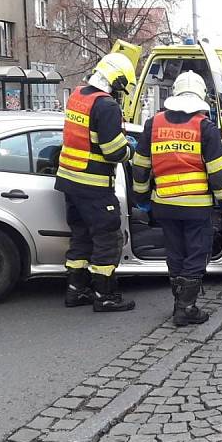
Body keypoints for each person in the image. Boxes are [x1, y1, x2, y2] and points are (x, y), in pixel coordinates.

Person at [131, 70, 222, 326]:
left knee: (175, 254)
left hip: (164, 204)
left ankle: (180, 303)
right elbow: (218, 173)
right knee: (196, 255)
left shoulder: (153, 124)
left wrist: (141, 198)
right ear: (201, 97)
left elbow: (140, 166)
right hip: (196, 207)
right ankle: (186, 308)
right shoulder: (204, 127)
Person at [55, 52, 138, 312]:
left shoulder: (78, 96)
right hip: (94, 184)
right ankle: (105, 296)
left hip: (69, 180)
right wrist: (131, 149)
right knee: (108, 238)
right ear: (115, 79)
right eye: (121, 85)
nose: (121, 91)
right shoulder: (107, 106)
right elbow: (114, 151)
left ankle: (76, 291)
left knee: (80, 236)